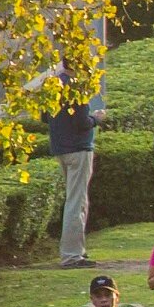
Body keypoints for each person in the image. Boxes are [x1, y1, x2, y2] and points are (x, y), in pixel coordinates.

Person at [42, 75, 106, 267]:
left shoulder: (53, 83)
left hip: (60, 147)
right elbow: (82, 122)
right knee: (76, 201)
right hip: (78, 148)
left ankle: (77, 249)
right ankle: (71, 255)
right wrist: (96, 118)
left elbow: (44, 116)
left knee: (78, 200)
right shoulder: (78, 85)